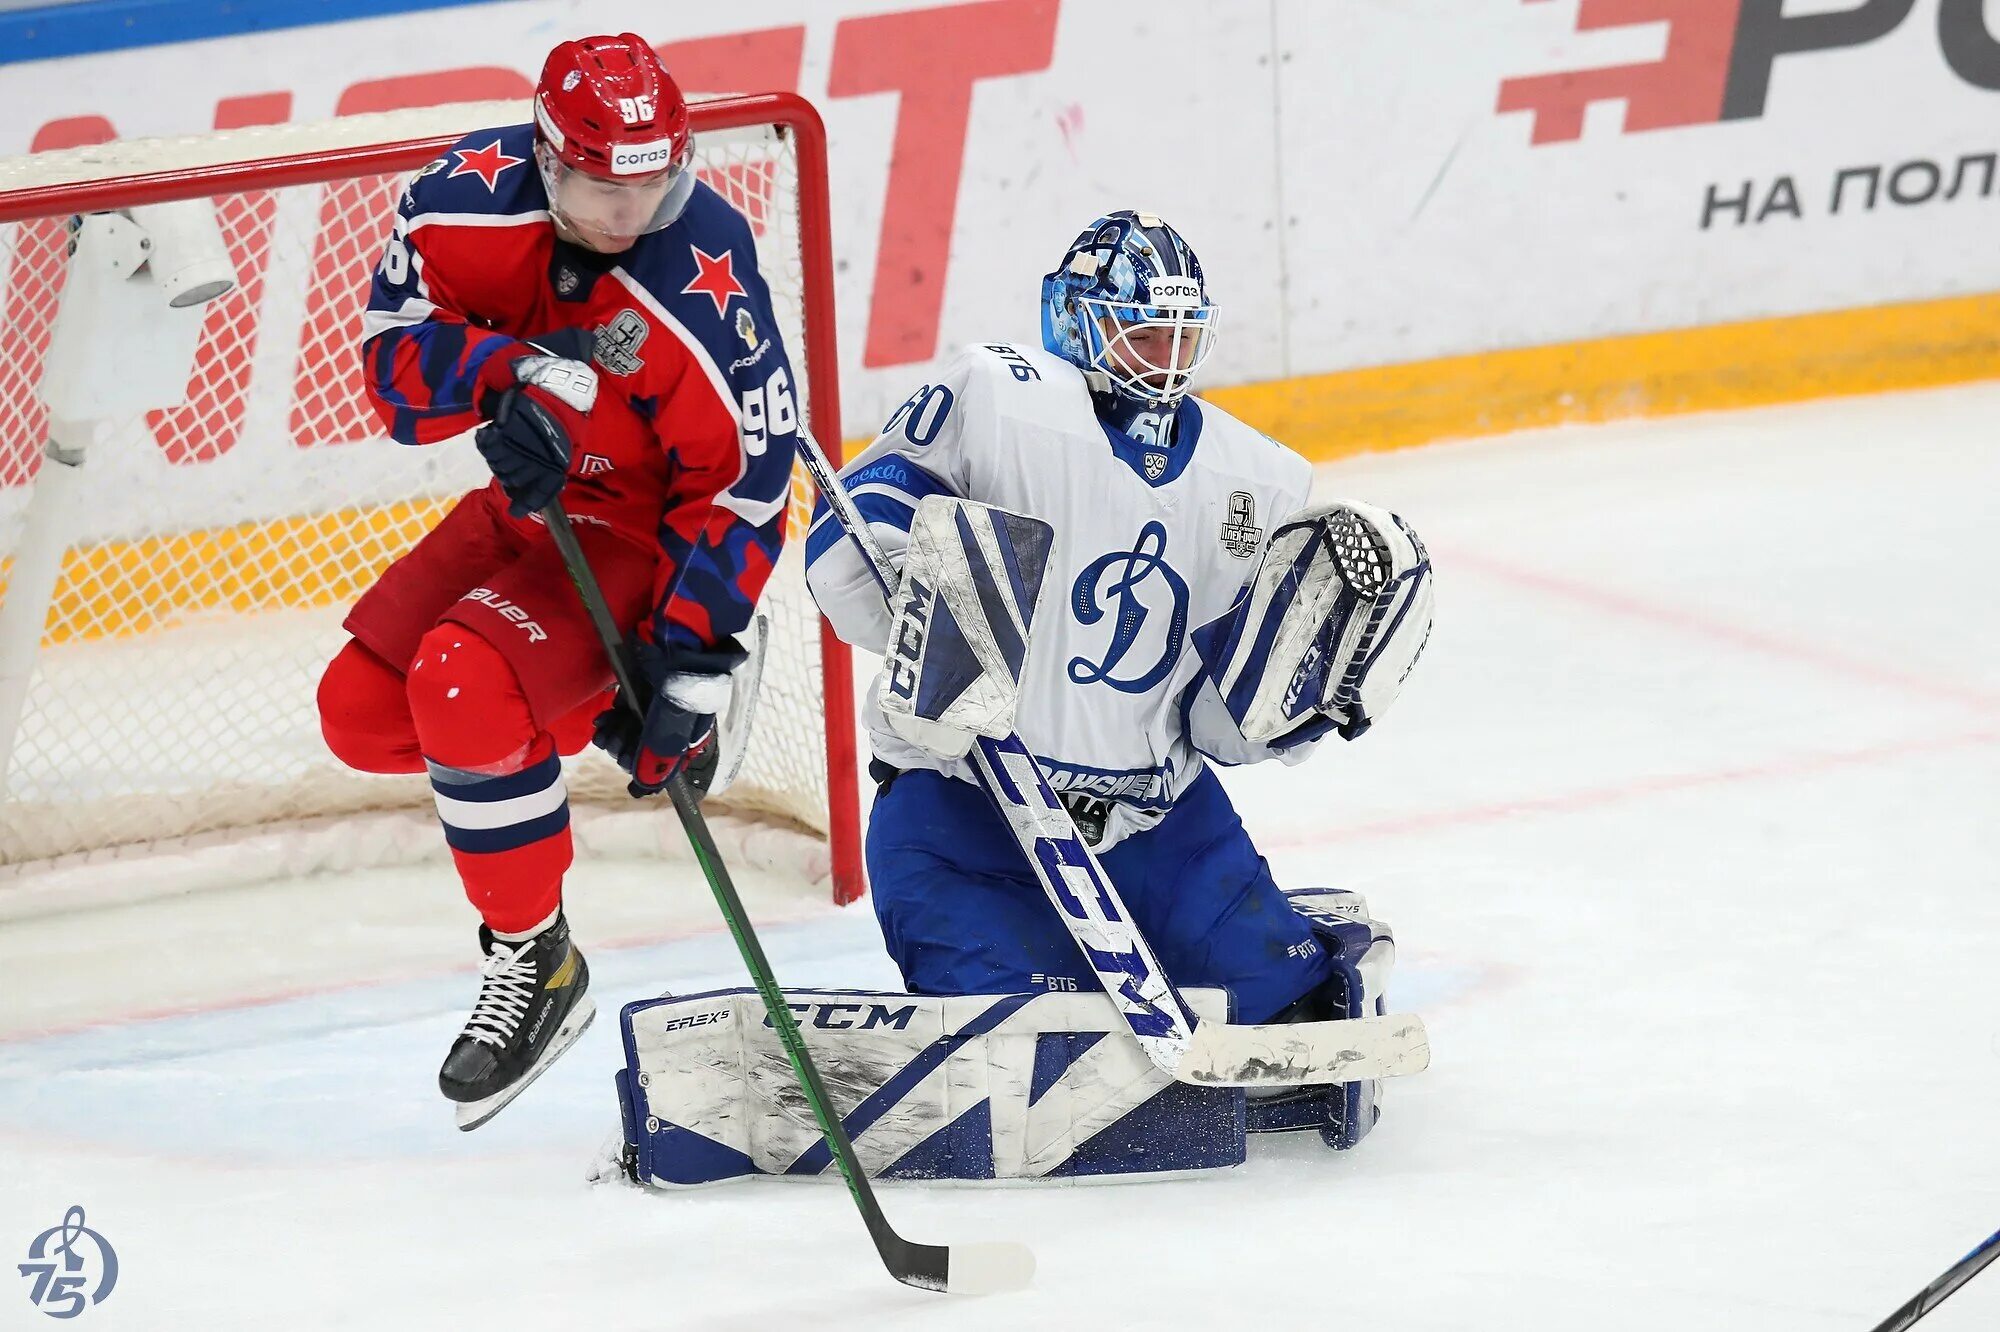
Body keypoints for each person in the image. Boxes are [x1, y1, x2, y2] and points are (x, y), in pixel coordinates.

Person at [802, 210, 1434, 1151]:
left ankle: (1319, 938)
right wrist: (900, 567)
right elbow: (857, 522)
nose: (1164, 359)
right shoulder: (996, 396)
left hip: (1159, 828)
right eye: (1142, 332)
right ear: (1076, 320)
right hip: (964, 812)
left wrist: (1306, 702)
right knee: (1022, 1046)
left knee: (1286, 1008)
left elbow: (1221, 724)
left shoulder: (1252, 476)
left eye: (1182, 336)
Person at [314, 33, 799, 1130]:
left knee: (458, 686)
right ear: (544, 158)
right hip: (527, 511)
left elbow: (747, 483)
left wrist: (687, 658)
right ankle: (590, 697)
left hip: (635, 531)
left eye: (649, 183)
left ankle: (538, 963)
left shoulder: (700, 271)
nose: (626, 214)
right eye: (595, 185)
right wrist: (501, 379)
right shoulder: (461, 202)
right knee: (359, 715)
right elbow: (393, 370)